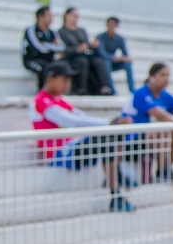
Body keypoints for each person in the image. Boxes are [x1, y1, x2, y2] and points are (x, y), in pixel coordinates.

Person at [31, 62, 135, 212]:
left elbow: (81, 116)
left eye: (69, 80)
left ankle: (115, 179)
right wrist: (110, 123)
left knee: (111, 135)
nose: (68, 84)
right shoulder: (41, 101)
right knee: (104, 136)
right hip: (59, 154)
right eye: (64, 80)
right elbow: (71, 121)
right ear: (50, 79)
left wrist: (112, 123)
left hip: (71, 148)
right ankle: (116, 192)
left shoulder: (60, 100)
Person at [125, 63, 173, 183]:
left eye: (168, 75)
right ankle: (162, 171)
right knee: (167, 129)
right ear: (151, 77)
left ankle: (165, 169)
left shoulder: (166, 96)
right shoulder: (140, 93)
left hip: (148, 139)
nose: (167, 79)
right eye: (162, 75)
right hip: (131, 139)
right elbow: (161, 115)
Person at [57, 7, 114, 96]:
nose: (76, 18)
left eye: (77, 16)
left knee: (99, 61)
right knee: (82, 61)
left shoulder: (81, 30)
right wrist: (77, 49)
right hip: (71, 57)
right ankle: (81, 88)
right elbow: (62, 49)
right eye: (75, 16)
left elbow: (87, 44)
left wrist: (93, 46)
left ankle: (104, 88)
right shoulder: (61, 32)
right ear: (67, 16)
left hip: (85, 55)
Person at [21, 6, 66, 88]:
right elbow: (39, 47)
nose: (51, 18)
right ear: (40, 17)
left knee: (62, 66)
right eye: (49, 16)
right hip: (32, 59)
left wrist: (46, 44)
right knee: (44, 68)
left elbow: (62, 47)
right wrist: (52, 45)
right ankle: (42, 92)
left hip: (48, 59)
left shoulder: (52, 32)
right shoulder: (31, 30)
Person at [96, 16, 136, 93]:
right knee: (106, 63)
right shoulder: (100, 37)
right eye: (109, 25)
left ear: (117, 26)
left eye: (113, 25)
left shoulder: (120, 39)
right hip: (102, 63)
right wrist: (116, 58)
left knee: (127, 64)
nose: (110, 27)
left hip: (113, 63)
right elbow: (102, 54)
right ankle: (113, 90)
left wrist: (124, 59)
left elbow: (125, 54)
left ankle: (132, 91)